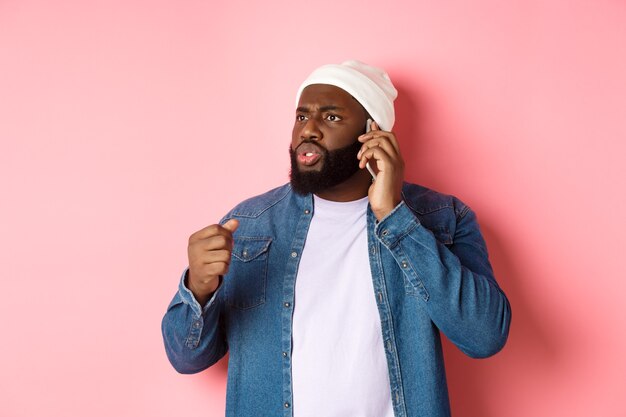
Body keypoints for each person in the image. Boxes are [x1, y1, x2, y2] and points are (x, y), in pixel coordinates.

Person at [161, 60, 511, 417]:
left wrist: (394, 216)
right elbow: (186, 358)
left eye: (330, 118)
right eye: (301, 117)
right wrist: (199, 287)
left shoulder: (443, 218)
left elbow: (484, 336)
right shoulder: (250, 224)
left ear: (373, 133)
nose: (308, 130)